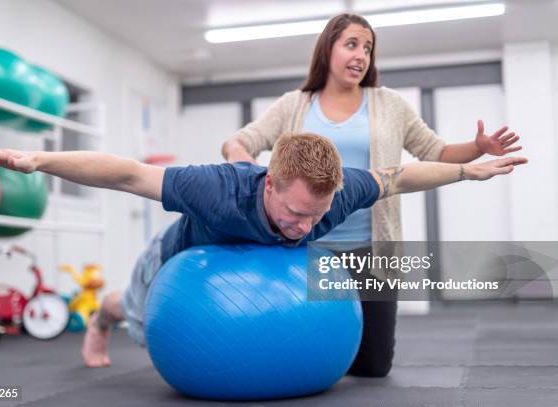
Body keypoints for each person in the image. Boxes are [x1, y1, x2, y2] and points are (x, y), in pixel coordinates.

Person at [0, 133, 526, 368]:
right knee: (130, 314)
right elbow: (126, 174)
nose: (306, 228)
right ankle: (101, 322)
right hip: (181, 263)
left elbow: (399, 176)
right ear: (268, 183)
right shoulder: (217, 185)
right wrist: (39, 162)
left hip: (255, 277)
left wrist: (464, 171)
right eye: (295, 212)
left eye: (317, 215)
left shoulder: (340, 189)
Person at [220, 13, 522, 377]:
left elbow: (436, 152)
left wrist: (477, 147)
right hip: (307, 250)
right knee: (307, 353)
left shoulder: (389, 104)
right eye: (351, 44)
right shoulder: (294, 105)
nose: (361, 55)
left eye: (368, 48)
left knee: (374, 366)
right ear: (327, 49)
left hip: (372, 249)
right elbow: (238, 142)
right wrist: (246, 168)